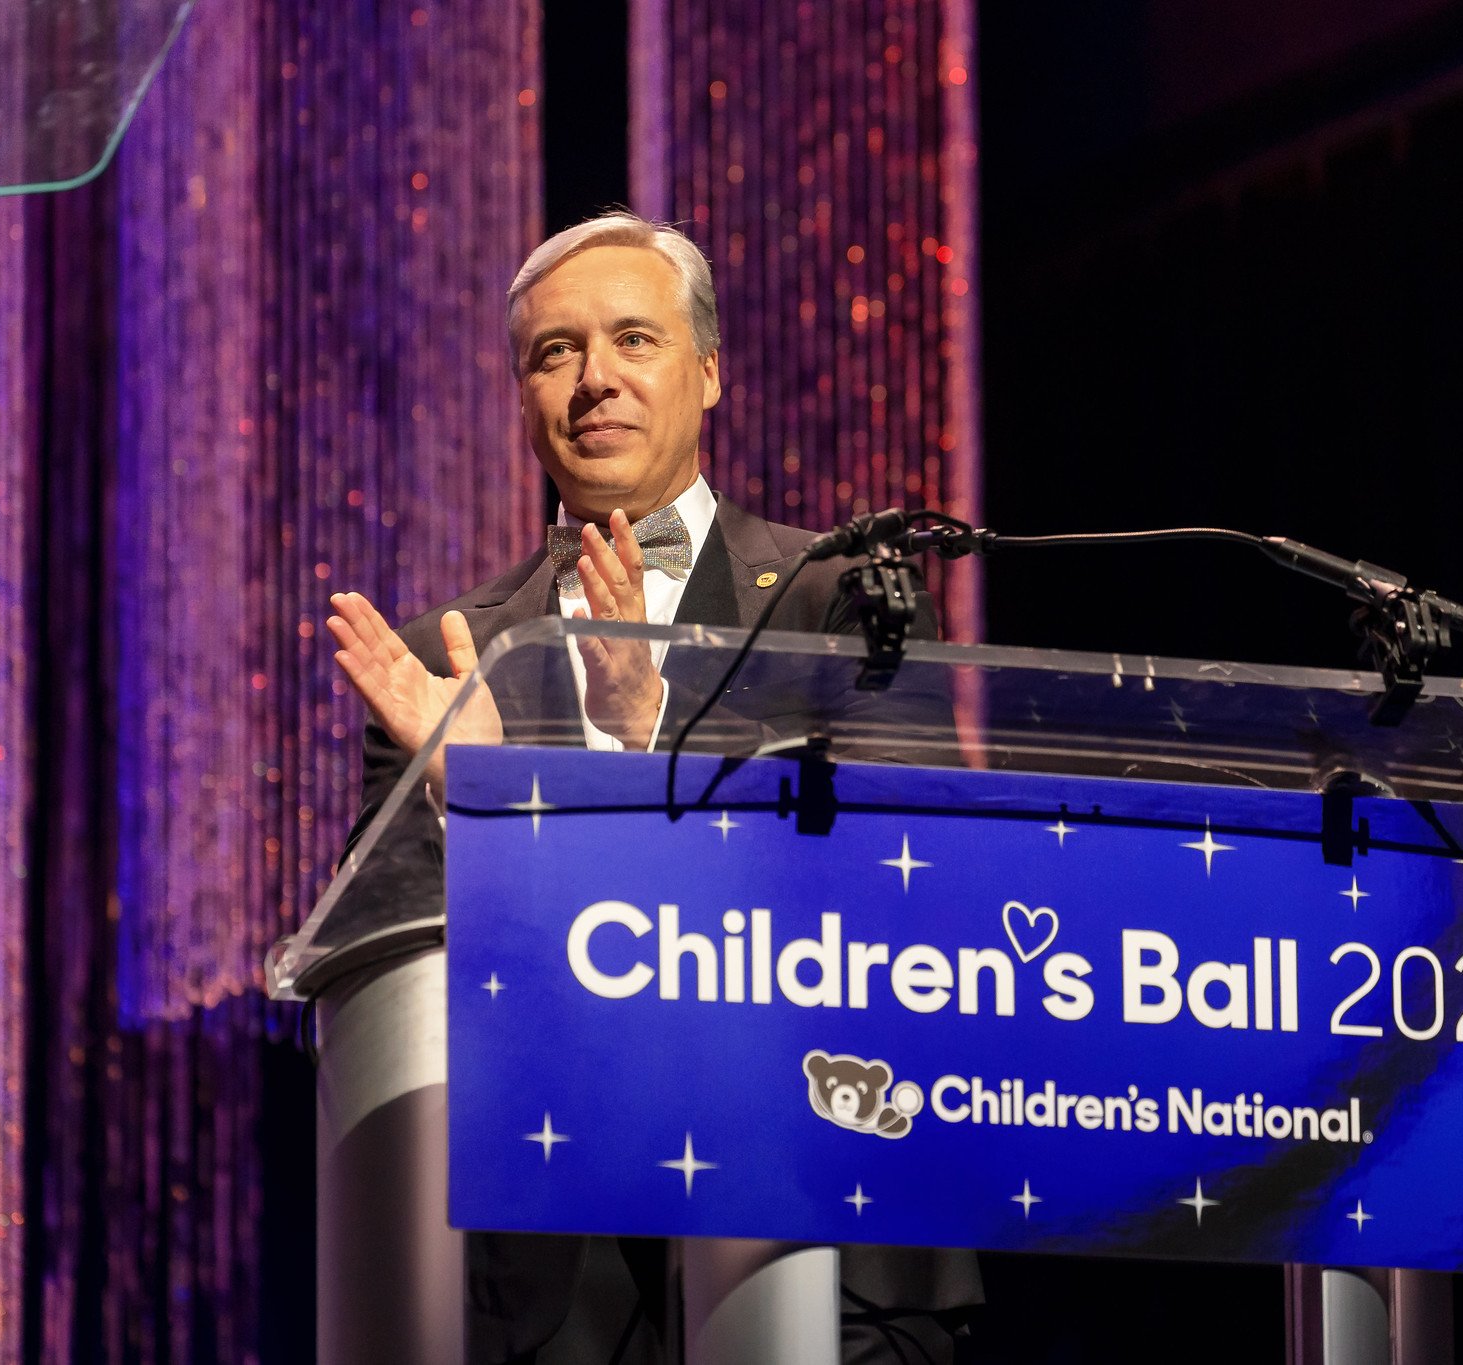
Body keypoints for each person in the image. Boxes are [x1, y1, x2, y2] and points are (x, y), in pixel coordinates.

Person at [327, 212, 979, 1364]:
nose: (595, 379)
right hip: (552, 1279)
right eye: (555, 352)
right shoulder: (448, 657)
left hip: (825, 1228)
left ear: (709, 372)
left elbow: (915, 880)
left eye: (633, 338)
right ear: (523, 396)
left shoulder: (838, 598)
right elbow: (378, 964)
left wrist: (658, 732)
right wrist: (477, 801)